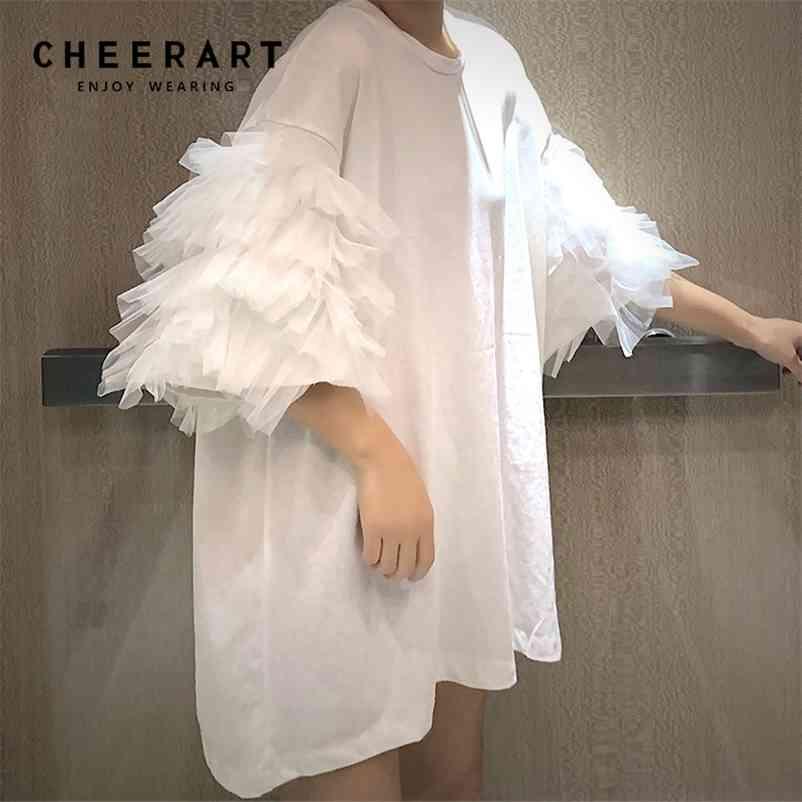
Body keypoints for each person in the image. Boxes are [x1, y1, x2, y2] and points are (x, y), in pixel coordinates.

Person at [97, 1, 802, 799]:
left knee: (455, 778)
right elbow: (240, 296)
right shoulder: (340, 53)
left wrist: (749, 328)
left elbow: (586, 245)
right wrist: (376, 455)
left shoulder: (493, 63)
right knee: (358, 771)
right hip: (346, 498)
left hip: (457, 495)